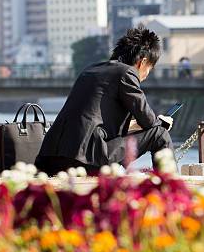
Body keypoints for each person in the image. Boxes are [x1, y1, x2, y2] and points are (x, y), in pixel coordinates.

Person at [35, 25, 174, 175]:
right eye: (149, 68)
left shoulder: (89, 70)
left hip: (52, 159)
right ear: (142, 61)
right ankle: (171, 187)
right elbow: (149, 121)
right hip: (87, 159)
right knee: (159, 134)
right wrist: (162, 122)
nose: (146, 75)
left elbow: (93, 120)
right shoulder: (126, 73)